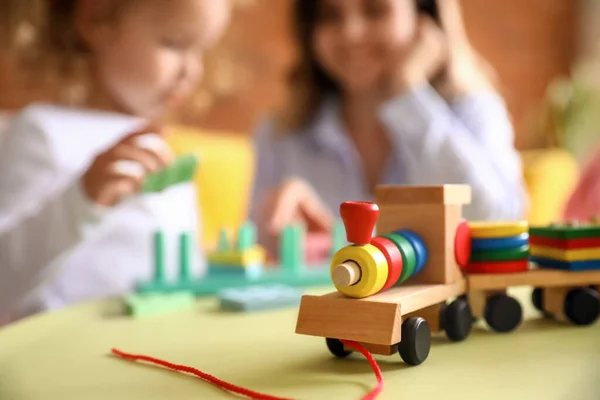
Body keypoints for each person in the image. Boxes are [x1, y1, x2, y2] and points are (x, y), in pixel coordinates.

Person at [0, 0, 231, 322]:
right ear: (97, 20)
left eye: (202, 50)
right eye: (174, 43)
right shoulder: (44, 130)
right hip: (64, 357)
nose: (192, 71)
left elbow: (185, 271)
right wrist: (81, 199)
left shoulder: (161, 144)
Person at [250, 0, 528, 255]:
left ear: (424, 18)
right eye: (330, 16)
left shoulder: (473, 109)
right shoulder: (281, 133)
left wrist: (409, 90)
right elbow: (255, 253)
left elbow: (499, 223)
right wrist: (279, 232)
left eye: (375, 10)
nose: (351, 33)